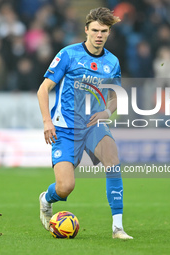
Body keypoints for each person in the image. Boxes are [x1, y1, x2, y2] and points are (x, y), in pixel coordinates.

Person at [37, 7, 133, 239]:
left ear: (109, 33)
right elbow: (43, 89)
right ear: (86, 30)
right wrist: (47, 122)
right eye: (95, 30)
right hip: (64, 128)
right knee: (65, 187)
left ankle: (117, 228)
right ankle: (46, 198)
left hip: (92, 125)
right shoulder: (68, 54)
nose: (99, 35)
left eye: (104, 31)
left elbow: (116, 96)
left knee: (112, 160)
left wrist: (107, 113)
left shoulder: (112, 62)